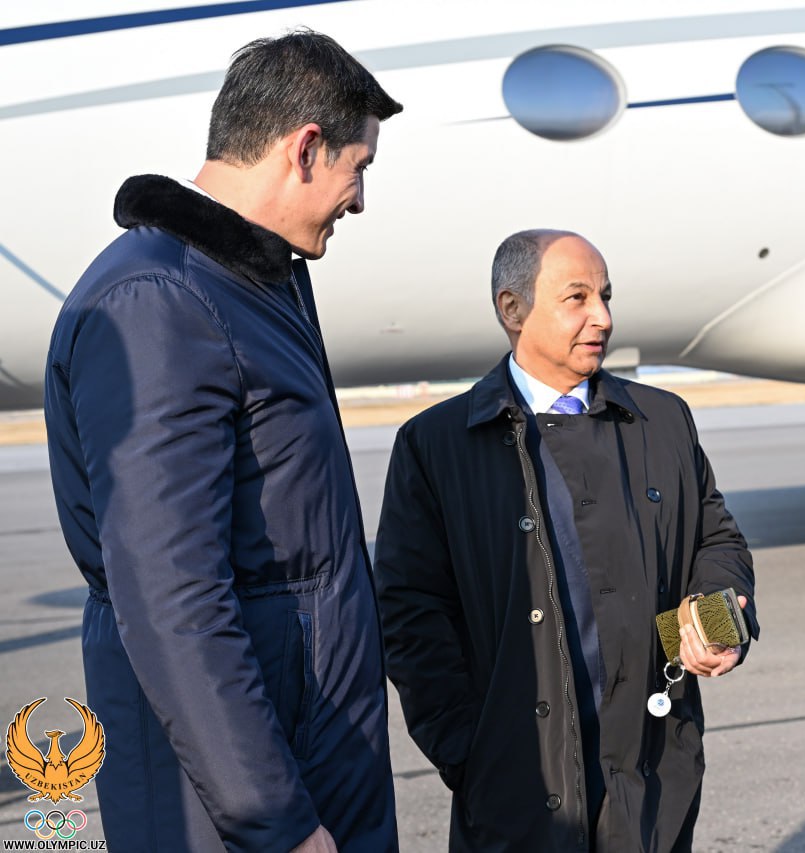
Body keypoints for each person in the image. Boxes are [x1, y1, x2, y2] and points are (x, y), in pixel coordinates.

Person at [44, 31, 403, 853]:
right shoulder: (161, 301)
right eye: (359, 167)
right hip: (234, 801)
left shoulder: (258, 281)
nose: (358, 200)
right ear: (303, 148)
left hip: (310, 754)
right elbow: (173, 597)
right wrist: (275, 819)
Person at [375, 229, 759, 851]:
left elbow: (715, 542)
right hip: (513, 782)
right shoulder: (435, 445)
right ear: (512, 309)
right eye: (577, 298)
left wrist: (712, 623)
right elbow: (410, 614)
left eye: (606, 296)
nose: (601, 317)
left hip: (652, 770)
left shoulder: (662, 420)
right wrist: (467, 750)